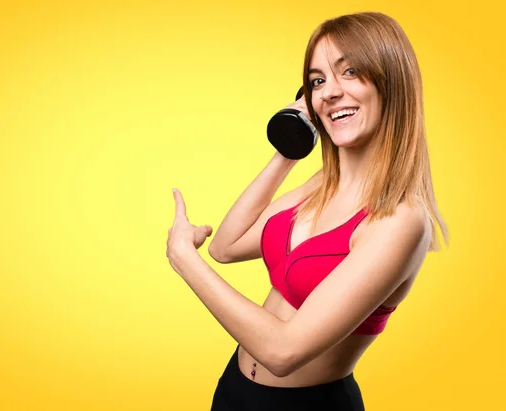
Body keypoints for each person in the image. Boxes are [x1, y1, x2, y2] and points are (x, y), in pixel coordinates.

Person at [166, 11, 448, 411]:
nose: (328, 93)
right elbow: (226, 247)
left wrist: (182, 258)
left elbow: (283, 352)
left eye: (349, 72)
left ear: (391, 84)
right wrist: (291, 144)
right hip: (234, 392)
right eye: (317, 81)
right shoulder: (322, 185)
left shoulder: (400, 222)